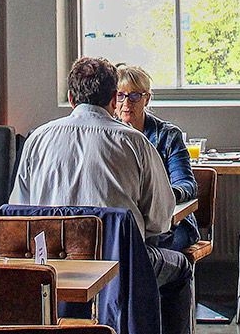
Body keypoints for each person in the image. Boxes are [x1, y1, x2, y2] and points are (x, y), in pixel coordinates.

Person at [11, 56, 194, 334]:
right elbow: (159, 221)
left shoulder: (37, 140)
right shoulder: (136, 143)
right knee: (181, 269)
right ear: (113, 98)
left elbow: (18, 211)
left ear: (71, 98)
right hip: (121, 269)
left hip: (51, 268)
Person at [113, 63, 199, 252]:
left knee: (141, 252)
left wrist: (162, 198)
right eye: (120, 95)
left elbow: (187, 184)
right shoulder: (107, 137)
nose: (126, 103)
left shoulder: (168, 135)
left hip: (171, 223)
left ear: (147, 99)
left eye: (134, 96)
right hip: (128, 224)